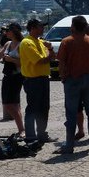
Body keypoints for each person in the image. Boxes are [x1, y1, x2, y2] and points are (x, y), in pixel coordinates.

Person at [56, 15, 89, 154]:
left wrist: (63, 77)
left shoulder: (66, 42)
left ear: (73, 27)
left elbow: (61, 62)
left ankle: (69, 145)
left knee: (71, 114)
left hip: (72, 80)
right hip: (88, 80)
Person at [19, 18, 56, 148]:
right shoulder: (27, 43)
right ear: (33, 28)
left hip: (44, 79)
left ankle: (41, 134)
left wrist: (50, 49)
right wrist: (50, 54)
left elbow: (52, 57)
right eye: (41, 26)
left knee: (44, 107)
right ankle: (30, 136)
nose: (43, 29)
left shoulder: (40, 42)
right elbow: (40, 61)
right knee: (33, 108)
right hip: (33, 80)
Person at [0, 23, 25, 137]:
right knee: (10, 104)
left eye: (8, 30)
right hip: (7, 76)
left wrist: (11, 59)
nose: (6, 33)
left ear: (14, 31)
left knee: (11, 104)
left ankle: (22, 129)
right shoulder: (7, 44)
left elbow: (25, 64)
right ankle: (21, 129)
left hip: (17, 76)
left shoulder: (22, 44)